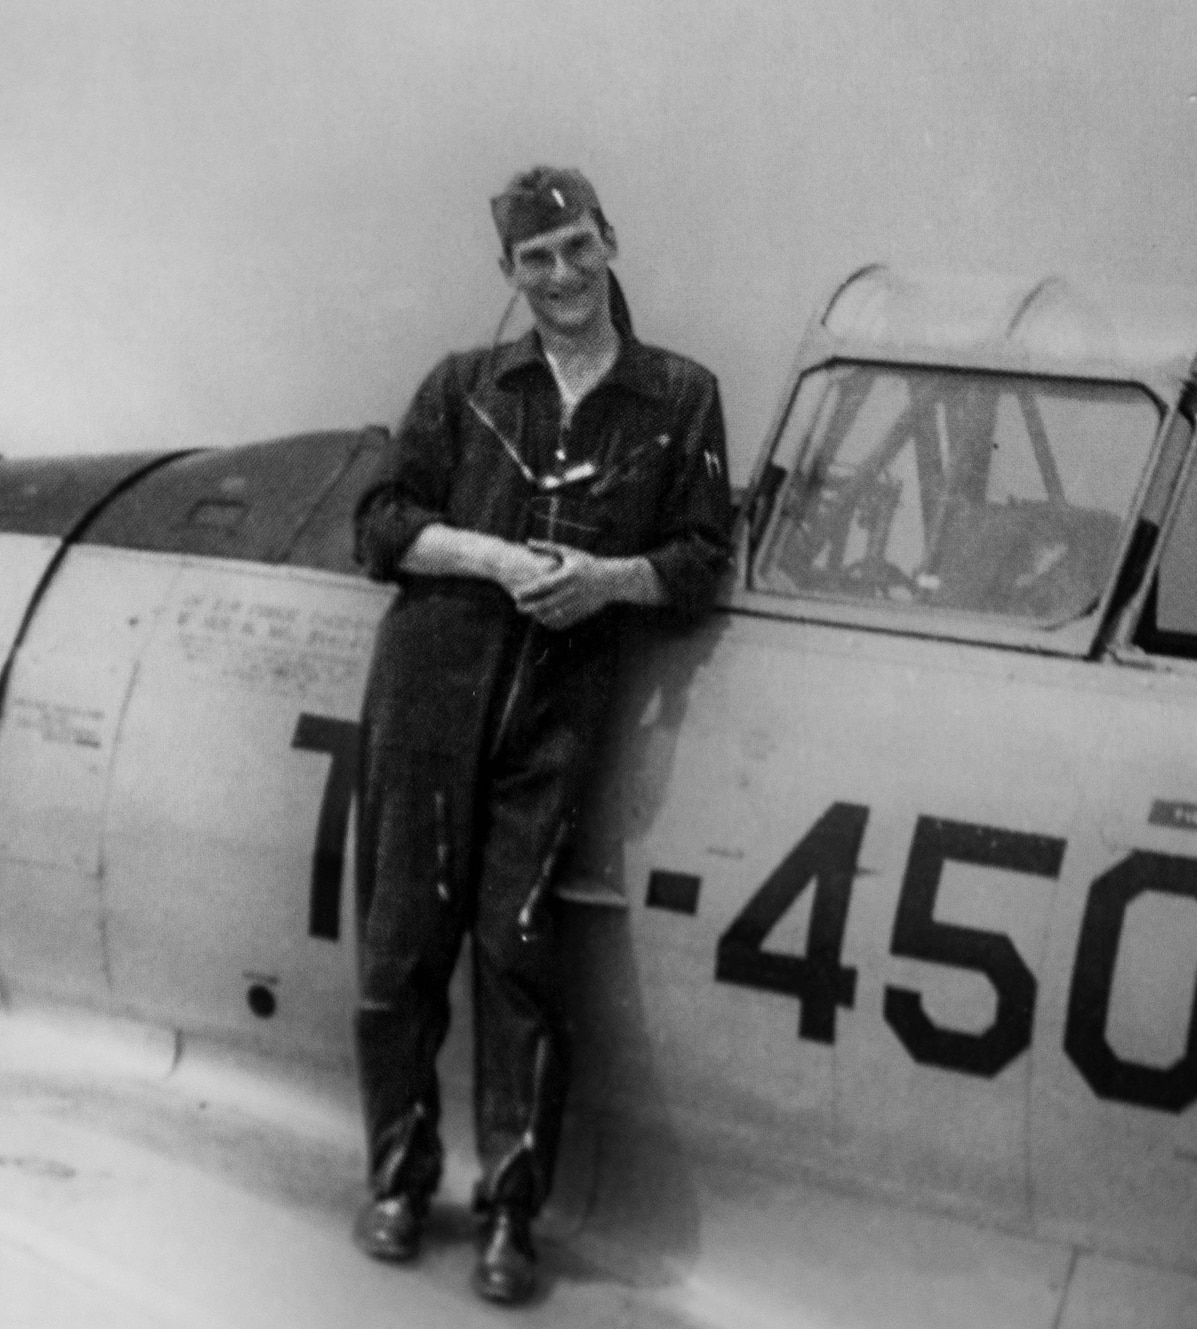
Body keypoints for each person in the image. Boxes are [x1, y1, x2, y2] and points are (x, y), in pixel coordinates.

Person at [349, 166, 732, 1305]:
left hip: (555, 719)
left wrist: (609, 580)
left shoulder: (678, 396)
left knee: (519, 960)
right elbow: (379, 523)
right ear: (507, 276)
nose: (559, 277)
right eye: (534, 260)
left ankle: (510, 1215)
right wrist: (492, 557)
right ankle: (397, 1181)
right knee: (399, 958)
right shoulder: (464, 387)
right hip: (429, 695)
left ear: (610, 243)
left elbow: (703, 558)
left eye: (574, 248)